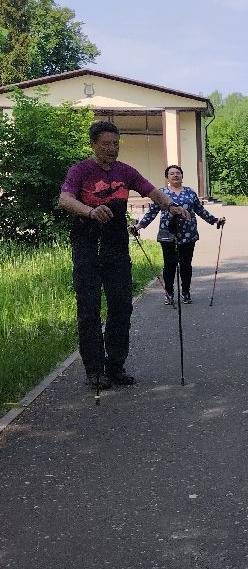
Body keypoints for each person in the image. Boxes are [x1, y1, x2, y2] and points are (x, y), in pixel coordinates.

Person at [58, 120, 191, 388]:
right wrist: (90, 211)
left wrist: (171, 206)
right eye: (106, 144)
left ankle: (115, 366)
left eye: (115, 144)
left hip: (116, 247)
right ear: (93, 145)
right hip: (87, 245)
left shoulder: (126, 171)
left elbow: (152, 191)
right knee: (89, 311)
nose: (111, 149)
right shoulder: (80, 170)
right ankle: (94, 370)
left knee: (121, 307)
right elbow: (65, 199)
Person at [132, 164, 225, 305]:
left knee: (186, 265)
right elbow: (152, 213)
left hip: (188, 234)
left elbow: (200, 211)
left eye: (178, 173)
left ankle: (186, 292)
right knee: (169, 265)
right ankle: (169, 293)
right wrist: (139, 226)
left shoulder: (190, 192)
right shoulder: (161, 193)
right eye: (171, 173)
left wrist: (215, 220)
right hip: (167, 234)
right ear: (167, 177)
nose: (175, 175)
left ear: (182, 176)